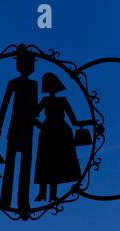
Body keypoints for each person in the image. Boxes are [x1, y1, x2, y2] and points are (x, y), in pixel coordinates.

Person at [33, 73, 93, 202]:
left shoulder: (62, 100)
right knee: (46, 161)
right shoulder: (45, 101)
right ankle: (42, 193)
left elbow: (74, 121)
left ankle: (52, 194)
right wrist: (42, 127)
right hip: (48, 131)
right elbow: (32, 117)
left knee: (56, 162)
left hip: (61, 132)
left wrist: (89, 122)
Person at [0, 49, 38, 213]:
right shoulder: (14, 83)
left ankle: (23, 202)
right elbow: (4, 107)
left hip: (28, 130)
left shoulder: (34, 85)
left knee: (25, 166)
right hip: (15, 128)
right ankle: (5, 199)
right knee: (10, 165)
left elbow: (35, 110)